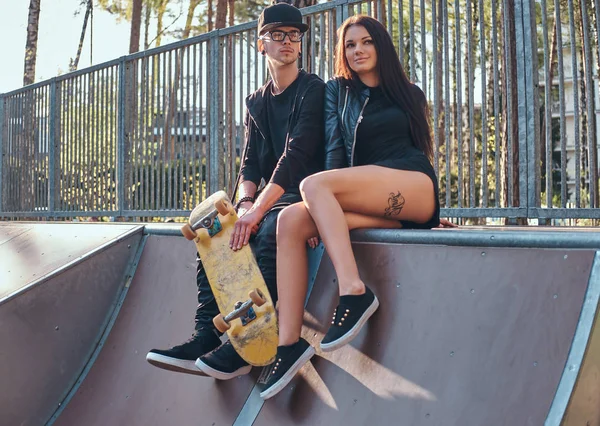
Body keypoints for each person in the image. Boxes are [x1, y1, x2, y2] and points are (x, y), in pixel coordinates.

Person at [258, 15, 455, 399]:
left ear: (380, 46)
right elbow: (335, 151)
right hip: (369, 193)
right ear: (342, 53)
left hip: (412, 183)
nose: (358, 50)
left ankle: (354, 290)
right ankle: (288, 345)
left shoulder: (408, 93)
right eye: (350, 45)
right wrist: (320, 208)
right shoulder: (337, 92)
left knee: (312, 185)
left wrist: (426, 209)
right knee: (290, 221)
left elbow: (421, 151)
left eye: (366, 42)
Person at [146, 2, 326, 380]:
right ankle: (206, 333)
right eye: (277, 35)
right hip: (267, 200)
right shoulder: (256, 102)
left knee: (266, 235)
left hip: (306, 198)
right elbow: (250, 164)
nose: (287, 42)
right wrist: (243, 204)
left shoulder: (313, 90)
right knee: (212, 229)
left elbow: (295, 156)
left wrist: (256, 211)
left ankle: (250, 340)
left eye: (294, 35)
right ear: (261, 44)